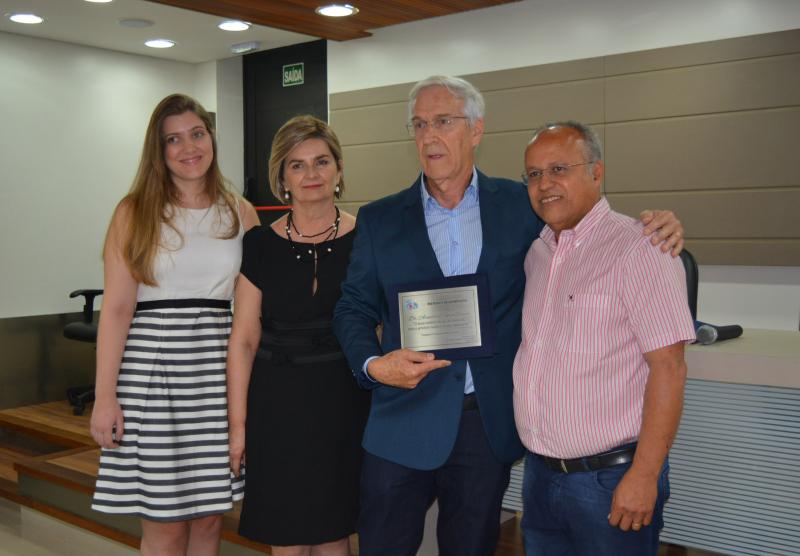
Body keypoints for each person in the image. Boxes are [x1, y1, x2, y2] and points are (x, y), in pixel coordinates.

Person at [333, 75, 685, 556]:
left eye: (443, 121)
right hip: (402, 421)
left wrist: (661, 224)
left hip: (486, 427)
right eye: (418, 125)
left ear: (475, 130)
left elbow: (588, 218)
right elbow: (353, 306)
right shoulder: (379, 218)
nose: (429, 136)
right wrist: (374, 365)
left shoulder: (525, 206)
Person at [513, 121, 696, 555]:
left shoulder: (641, 248)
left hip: (611, 480)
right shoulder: (537, 253)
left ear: (597, 172)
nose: (545, 184)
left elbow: (669, 369)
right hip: (540, 476)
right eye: (534, 174)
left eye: (559, 168)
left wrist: (645, 475)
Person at [90, 93, 260, 555]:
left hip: (215, 373)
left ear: (211, 138)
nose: (189, 147)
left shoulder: (240, 211)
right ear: (159, 150)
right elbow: (117, 309)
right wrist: (105, 397)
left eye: (197, 133)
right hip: (152, 373)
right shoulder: (134, 212)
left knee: (209, 519)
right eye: (174, 139)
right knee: (164, 524)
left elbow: (251, 311)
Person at [227, 115, 370, 556]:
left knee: (334, 537)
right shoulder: (259, 244)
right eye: (297, 165)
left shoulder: (368, 238)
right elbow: (244, 339)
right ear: (282, 178)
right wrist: (238, 426)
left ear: (339, 170)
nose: (311, 174)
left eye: (322, 161)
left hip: (343, 403)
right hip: (276, 407)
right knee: (287, 541)